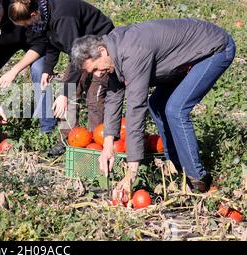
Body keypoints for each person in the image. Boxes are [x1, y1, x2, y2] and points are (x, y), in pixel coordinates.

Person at [70, 18, 236, 197]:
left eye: (96, 68)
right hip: (182, 59)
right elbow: (113, 97)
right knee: (157, 105)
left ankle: (198, 178)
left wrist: (132, 171)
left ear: (101, 51)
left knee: (176, 109)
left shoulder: (132, 53)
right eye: (92, 72)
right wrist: (108, 145)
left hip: (214, 49)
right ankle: (176, 166)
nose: (98, 74)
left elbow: (135, 108)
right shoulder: (113, 52)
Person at [8, 0, 114, 156]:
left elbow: (75, 55)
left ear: (33, 15)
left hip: (102, 49)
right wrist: (48, 69)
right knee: (69, 95)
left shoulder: (62, 18)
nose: (26, 27)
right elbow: (51, 41)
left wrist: (65, 93)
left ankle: (95, 144)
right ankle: (67, 139)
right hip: (82, 50)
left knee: (94, 95)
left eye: (26, 24)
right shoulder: (43, 14)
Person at [0, 0, 56, 133]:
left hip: (31, 44)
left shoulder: (16, 7)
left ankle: (47, 128)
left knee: (39, 71)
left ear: (2, 2)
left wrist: (14, 70)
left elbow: (39, 43)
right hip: (1, 49)